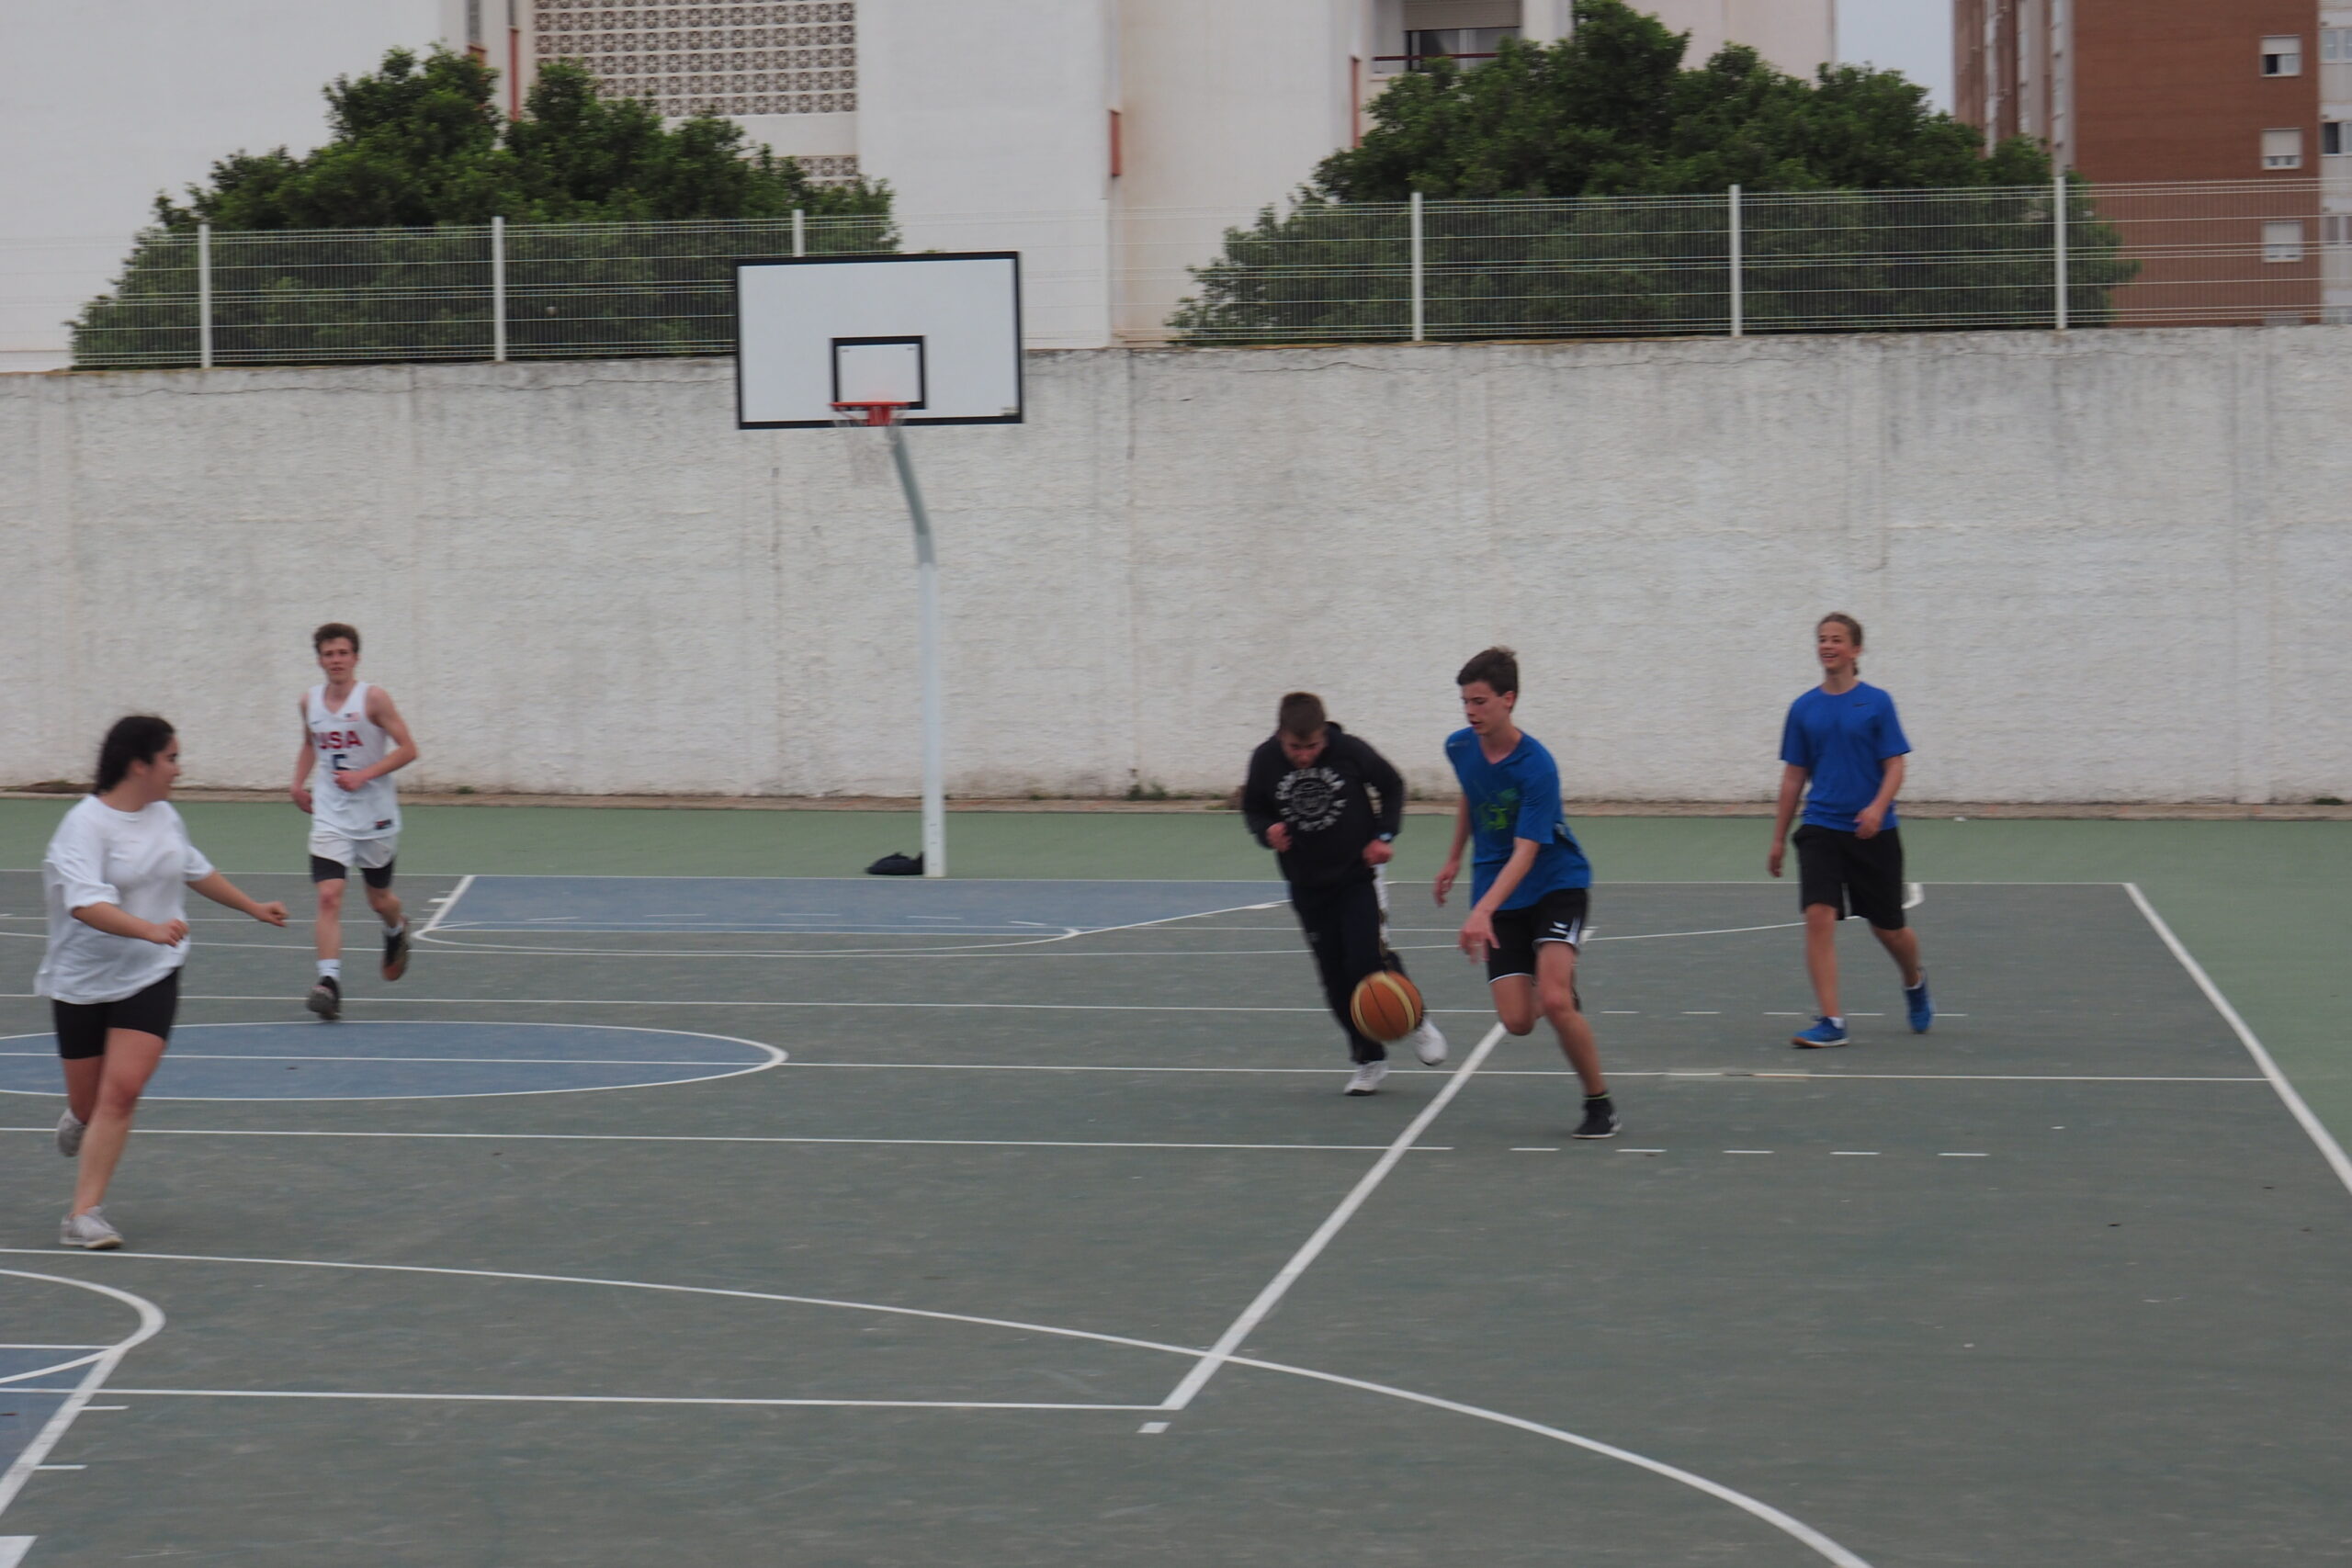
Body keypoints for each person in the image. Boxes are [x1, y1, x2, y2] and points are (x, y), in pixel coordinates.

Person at [40, 716, 288, 1248]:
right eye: (171, 759)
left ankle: (83, 1215)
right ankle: (79, 1116)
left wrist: (252, 907)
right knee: (89, 1105)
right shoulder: (84, 826)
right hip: (82, 980)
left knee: (123, 1091)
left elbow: (194, 870)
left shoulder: (165, 817)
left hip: (152, 973)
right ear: (139, 764)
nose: (179, 769)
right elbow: (85, 905)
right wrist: (147, 928)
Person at [1434, 648, 1618, 1139]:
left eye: (1480, 701)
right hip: (1498, 889)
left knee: (1555, 1002)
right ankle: (1557, 983)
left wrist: (1481, 911)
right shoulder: (1460, 747)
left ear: (1508, 699)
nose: (1470, 711)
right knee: (1517, 1021)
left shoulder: (1537, 766)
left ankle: (1599, 1104)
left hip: (1556, 883)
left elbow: (1526, 851)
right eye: (1465, 702)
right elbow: (1472, 793)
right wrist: (1454, 857)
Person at [1243, 693, 1447, 1096]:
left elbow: (1392, 785)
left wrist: (1384, 835)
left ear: (1324, 733)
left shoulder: (1350, 751)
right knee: (1335, 978)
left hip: (1357, 876)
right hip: (1307, 885)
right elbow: (1254, 809)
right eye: (1295, 748)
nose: (1304, 755)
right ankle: (1369, 1059)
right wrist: (1266, 831)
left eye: (1312, 746)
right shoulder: (1265, 760)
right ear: (1281, 735)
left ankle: (1417, 1021)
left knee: (1367, 959)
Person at [1767, 613, 1932, 1047]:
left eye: (1836, 639)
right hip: (1821, 826)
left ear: (1855, 649)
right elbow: (1793, 777)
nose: (1827, 645)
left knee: (1889, 928)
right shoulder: (1804, 708)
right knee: (1819, 916)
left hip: (1873, 833)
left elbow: (1895, 765)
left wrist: (1877, 807)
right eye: (1822, 639)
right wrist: (1778, 838)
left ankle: (1914, 980)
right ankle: (1832, 1021)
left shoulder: (1877, 703)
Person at [291, 622, 418, 1021]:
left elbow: (409, 749)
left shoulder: (373, 699)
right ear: (319, 660)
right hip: (331, 814)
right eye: (329, 654)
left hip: (374, 815)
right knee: (329, 896)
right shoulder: (309, 701)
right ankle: (328, 982)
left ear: (355, 657)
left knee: (379, 900)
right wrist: (297, 783)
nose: (336, 660)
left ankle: (396, 928)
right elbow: (310, 743)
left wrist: (365, 775)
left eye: (343, 653)